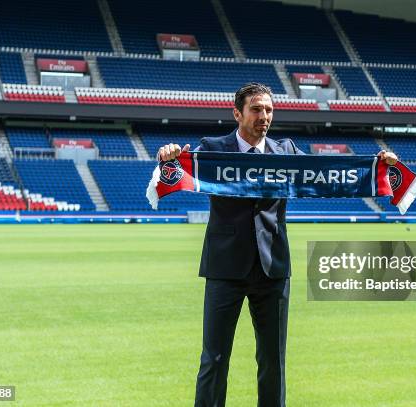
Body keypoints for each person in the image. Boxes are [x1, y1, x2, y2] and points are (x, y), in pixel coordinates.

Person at [157, 82, 397, 407]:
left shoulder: (286, 152)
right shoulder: (212, 148)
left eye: (269, 109)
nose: (264, 116)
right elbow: (174, 167)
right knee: (214, 359)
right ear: (237, 113)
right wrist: (167, 156)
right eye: (256, 109)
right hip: (224, 268)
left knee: (273, 361)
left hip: (273, 270)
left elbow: (328, 174)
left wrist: (377, 165)